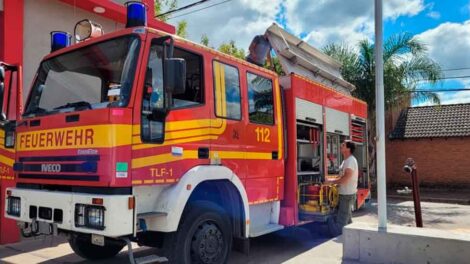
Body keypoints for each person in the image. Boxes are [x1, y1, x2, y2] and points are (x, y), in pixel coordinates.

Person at [327, 140, 358, 236]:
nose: (341, 145)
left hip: (347, 195)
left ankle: (339, 237)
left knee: (341, 220)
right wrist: (330, 179)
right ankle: (352, 236)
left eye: (343, 145)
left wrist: (331, 182)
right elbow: (341, 176)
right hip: (344, 194)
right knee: (347, 218)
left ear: (348, 149)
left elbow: (345, 179)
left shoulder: (351, 161)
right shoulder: (345, 161)